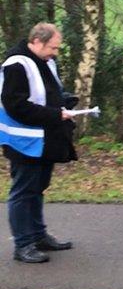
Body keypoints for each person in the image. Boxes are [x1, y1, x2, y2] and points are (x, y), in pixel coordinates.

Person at [1, 23, 77, 263]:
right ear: (36, 41)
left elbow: (45, 93)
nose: (55, 52)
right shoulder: (16, 65)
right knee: (23, 192)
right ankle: (23, 245)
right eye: (52, 48)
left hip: (44, 139)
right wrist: (55, 114)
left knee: (38, 188)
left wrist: (65, 101)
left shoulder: (45, 61)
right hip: (23, 141)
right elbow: (16, 105)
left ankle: (38, 236)